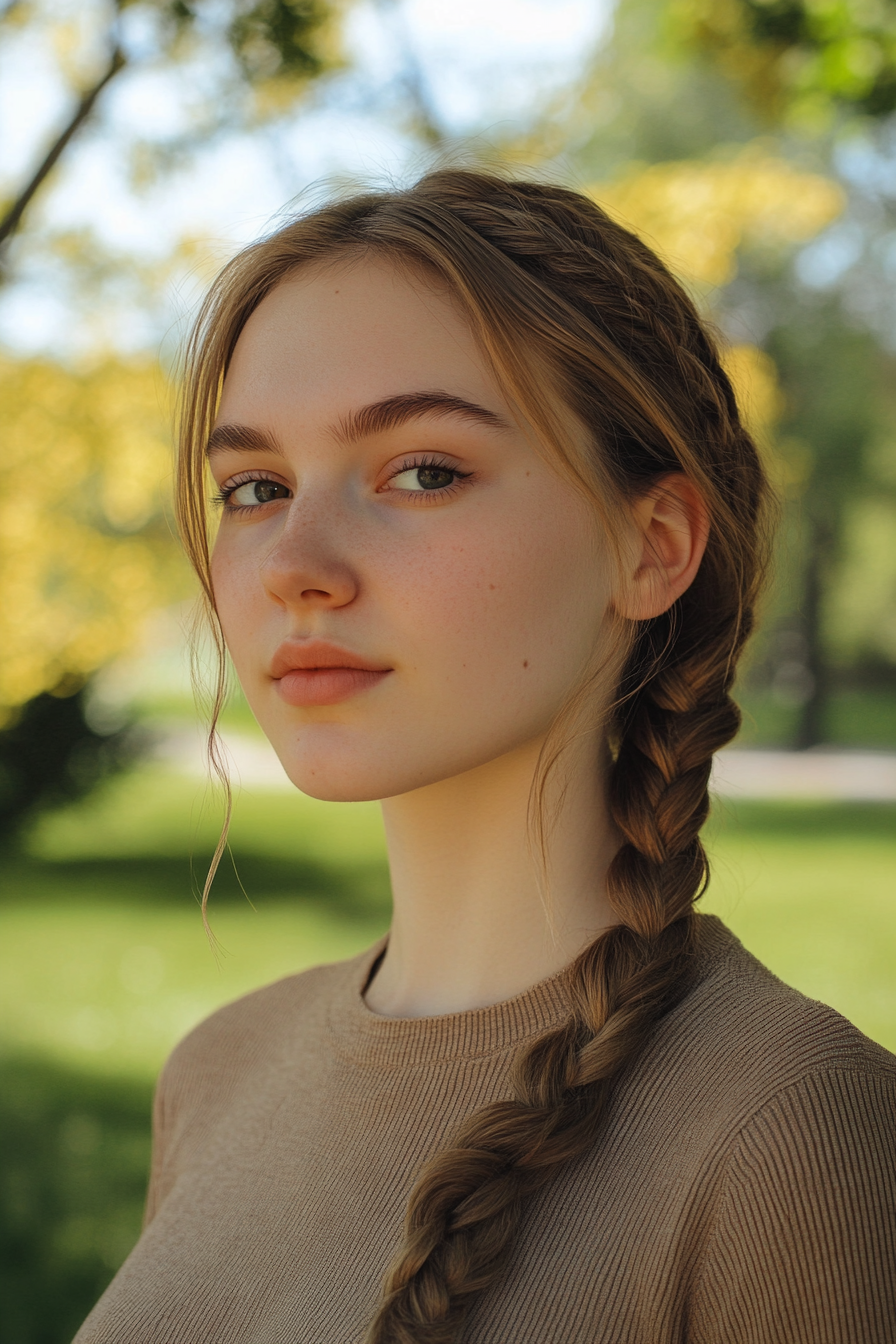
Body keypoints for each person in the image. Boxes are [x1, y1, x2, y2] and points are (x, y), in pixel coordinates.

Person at [75, 170, 895, 1344]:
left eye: (422, 471)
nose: (295, 563)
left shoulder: (793, 1140)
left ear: (650, 547)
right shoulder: (216, 1072)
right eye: (253, 488)